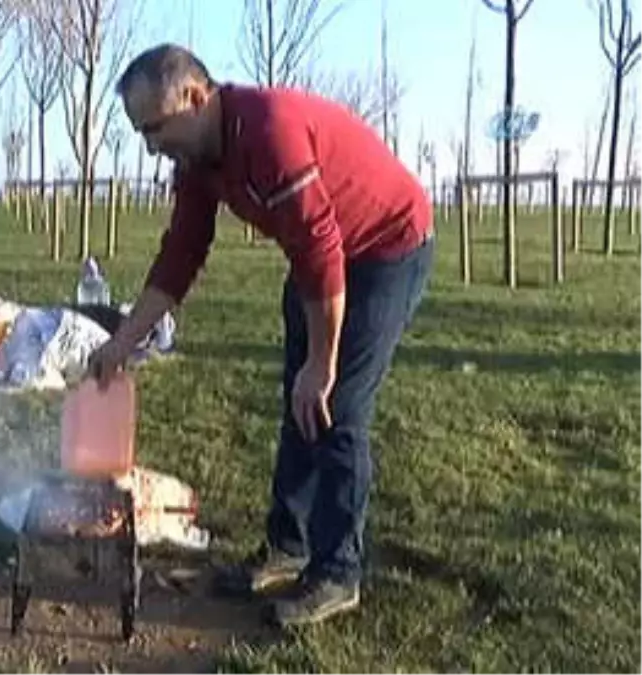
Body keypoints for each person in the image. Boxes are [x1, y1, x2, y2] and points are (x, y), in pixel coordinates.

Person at [86, 44, 435, 627]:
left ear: (194, 98)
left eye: (154, 128)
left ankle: (337, 572)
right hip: (320, 258)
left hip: (387, 247)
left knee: (336, 408)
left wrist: (322, 361)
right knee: (296, 403)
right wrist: (123, 342)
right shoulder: (198, 163)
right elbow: (181, 255)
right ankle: (287, 545)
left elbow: (324, 248)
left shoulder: (269, 132)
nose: (150, 146)